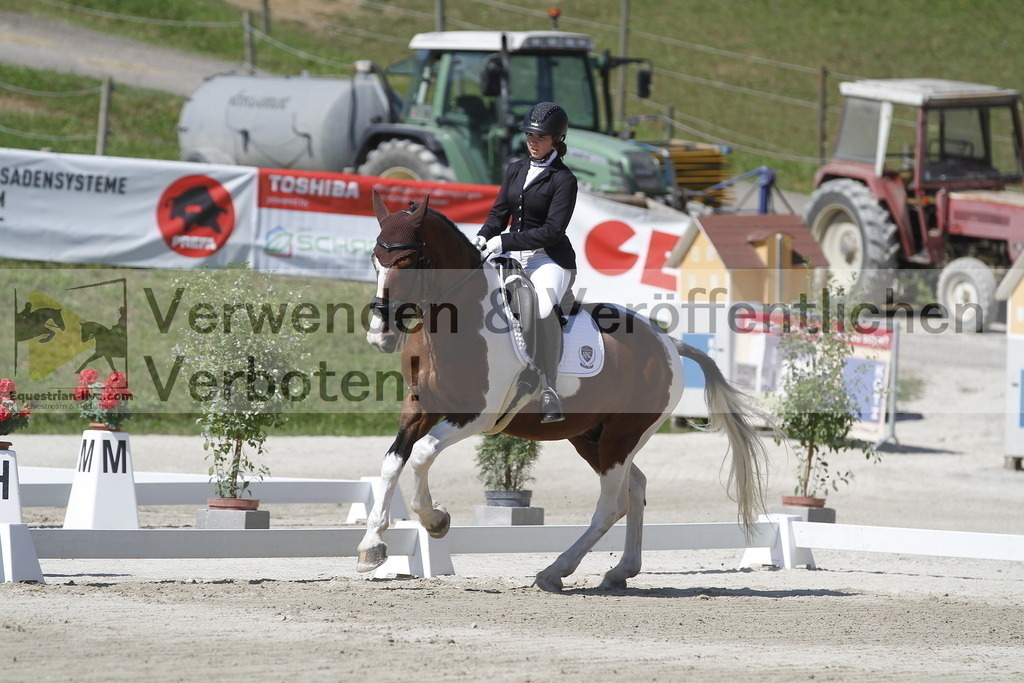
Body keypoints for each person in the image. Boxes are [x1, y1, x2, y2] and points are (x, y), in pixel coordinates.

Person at [475, 102, 578, 424]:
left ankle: (548, 388)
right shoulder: (516, 168)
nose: (533, 140)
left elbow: (551, 231)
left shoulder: (564, 180)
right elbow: (498, 213)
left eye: (541, 137)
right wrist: (483, 236)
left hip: (548, 258)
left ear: (556, 140)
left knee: (543, 308)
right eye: (530, 134)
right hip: (511, 256)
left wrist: (505, 240)